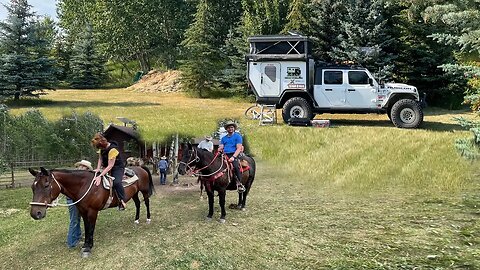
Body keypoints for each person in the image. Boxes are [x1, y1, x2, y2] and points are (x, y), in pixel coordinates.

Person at [91, 133, 127, 210]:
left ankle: (122, 200)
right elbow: (100, 159)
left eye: (99, 147)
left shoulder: (112, 150)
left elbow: (110, 165)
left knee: (116, 182)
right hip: (105, 167)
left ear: (102, 143)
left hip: (117, 167)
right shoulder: (102, 149)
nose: (99, 149)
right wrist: (98, 169)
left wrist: (100, 175)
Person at [66, 159, 92, 248]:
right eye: (81, 166)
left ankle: (77, 236)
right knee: (74, 220)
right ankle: (72, 242)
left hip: (78, 200)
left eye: (84, 167)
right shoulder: (74, 177)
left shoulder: (80, 177)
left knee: (78, 218)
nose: (81, 167)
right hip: (73, 200)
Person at [218, 120, 245, 193]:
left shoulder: (237, 136)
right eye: (229, 127)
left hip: (234, 154)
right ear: (226, 129)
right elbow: (221, 146)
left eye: (232, 127)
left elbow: (239, 148)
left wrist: (233, 157)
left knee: (236, 166)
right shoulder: (224, 138)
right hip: (225, 154)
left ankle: (239, 184)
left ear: (234, 128)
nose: (230, 129)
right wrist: (219, 150)